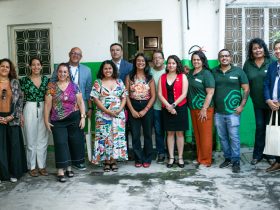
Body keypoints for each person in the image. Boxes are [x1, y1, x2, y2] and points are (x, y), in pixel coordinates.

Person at [51, 48, 93, 168]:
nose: (75, 55)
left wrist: (89, 108)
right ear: (69, 54)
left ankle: (78, 161)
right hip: (61, 108)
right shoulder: (60, 68)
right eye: (73, 53)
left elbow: (88, 90)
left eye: (78, 54)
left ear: (81, 57)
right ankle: (66, 162)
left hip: (80, 106)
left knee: (77, 136)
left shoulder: (87, 70)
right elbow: (53, 84)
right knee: (63, 138)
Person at [44, 63, 86, 182]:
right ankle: (60, 170)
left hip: (74, 118)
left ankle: (68, 167)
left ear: (68, 74)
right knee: (61, 143)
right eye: (60, 71)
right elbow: (47, 105)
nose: (62, 74)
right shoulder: (51, 86)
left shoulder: (74, 86)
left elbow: (80, 102)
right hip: (57, 120)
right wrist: (46, 121)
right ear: (57, 73)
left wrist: (83, 117)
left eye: (65, 72)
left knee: (72, 143)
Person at [212, 49, 250, 173]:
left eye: (227, 56)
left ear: (231, 58)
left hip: (233, 112)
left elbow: (246, 89)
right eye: (222, 56)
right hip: (218, 112)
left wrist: (241, 106)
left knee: (234, 137)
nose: (224, 58)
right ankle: (227, 158)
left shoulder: (238, 71)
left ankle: (236, 161)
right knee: (222, 137)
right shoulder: (214, 72)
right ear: (219, 58)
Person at [90, 60, 127, 172]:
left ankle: (114, 160)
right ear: (102, 70)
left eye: (110, 68)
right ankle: (106, 161)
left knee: (116, 137)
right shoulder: (98, 83)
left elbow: (124, 97)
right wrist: (107, 111)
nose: (108, 70)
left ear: (113, 69)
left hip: (118, 115)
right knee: (105, 137)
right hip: (102, 115)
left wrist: (120, 109)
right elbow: (95, 99)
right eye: (105, 68)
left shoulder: (119, 82)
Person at [243, 38, 275, 165]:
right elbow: (245, 83)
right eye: (255, 48)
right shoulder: (248, 64)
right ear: (251, 51)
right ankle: (257, 155)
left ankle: (270, 154)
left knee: (271, 128)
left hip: (272, 103)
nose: (258, 50)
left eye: (260, 47)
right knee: (260, 127)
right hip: (257, 103)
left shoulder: (271, 61)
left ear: (264, 48)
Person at [20, 58, 49, 177]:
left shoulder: (46, 80)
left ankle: (42, 166)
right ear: (30, 66)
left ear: (41, 66)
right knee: (30, 138)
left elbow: (50, 97)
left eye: (38, 65)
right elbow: (20, 98)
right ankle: (31, 166)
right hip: (29, 107)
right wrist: (20, 114)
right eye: (33, 65)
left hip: (44, 107)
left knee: (43, 138)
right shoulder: (24, 80)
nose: (36, 67)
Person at [125, 53, 156, 168]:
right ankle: (138, 158)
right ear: (135, 62)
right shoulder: (129, 77)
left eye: (143, 61)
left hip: (147, 106)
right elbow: (126, 95)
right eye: (138, 61)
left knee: (148, 134)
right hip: (133, 105)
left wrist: (146, 109)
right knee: (135, 134)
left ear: (146, 63)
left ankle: (147, 158)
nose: (140, 63)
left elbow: (153, 96)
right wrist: (132, 110)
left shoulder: (150, 77)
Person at [158, 55, 188, 168]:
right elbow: (160, 94)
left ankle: (180, 157)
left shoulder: (182, 76)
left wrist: (174, 105)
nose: (171, 65)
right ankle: (171, 157)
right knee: (169, 133)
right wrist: (168, 107)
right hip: (166, 108)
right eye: (169, 63)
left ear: (177, 64)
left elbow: (184, 94)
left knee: (180, 133)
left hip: (180, 107)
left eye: (173, 63)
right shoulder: (162, 77)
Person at [0, 58, 27, 183]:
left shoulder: (15, 82)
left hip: (12, 119)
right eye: (2, 66)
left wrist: (12, 116)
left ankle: (13, 173)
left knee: (13, 147)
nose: (4, 68)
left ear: (10, 70)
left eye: (7, 67)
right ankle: (1, 175)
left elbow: (20, 102)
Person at [187, 51, 215, 167]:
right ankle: (200, 158)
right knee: (198, 135)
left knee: (205, 135)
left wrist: (204, 108)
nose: (196, 61)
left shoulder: (206, 74)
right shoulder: (191, 73)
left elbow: (210, 92)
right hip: (193, 108)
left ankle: (206, 160)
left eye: (198, 59)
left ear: (203, 61)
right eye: (194, 59)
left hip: (204, 109)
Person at [263, 39, 280, 172]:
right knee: (276, 135)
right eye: (276, 49)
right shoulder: (272, 66)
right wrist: (268, 100)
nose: (278, 51)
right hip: (272, 106)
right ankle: (278, 162)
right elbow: (266, 84)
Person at [150, 50, 166, 163]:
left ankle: (171, 152)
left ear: (163, 59)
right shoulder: (149, 72)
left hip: (168, 107)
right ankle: (161, 152)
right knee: (158, 131)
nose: (157, 60)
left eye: (159, 58)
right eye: (155, 58)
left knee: (171, 131)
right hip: (155, 107)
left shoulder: (169, 70)